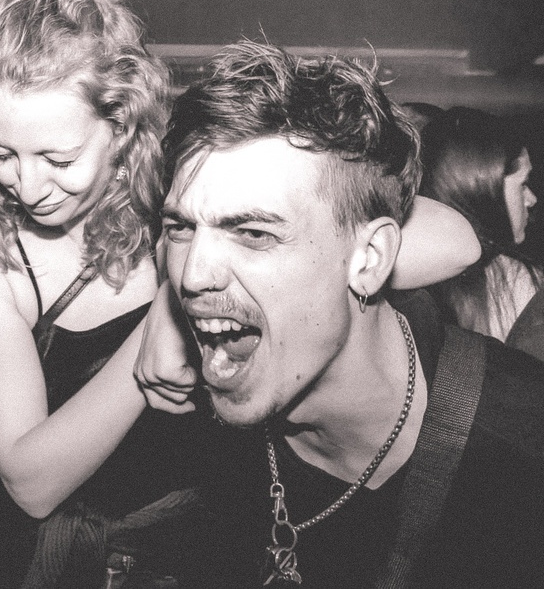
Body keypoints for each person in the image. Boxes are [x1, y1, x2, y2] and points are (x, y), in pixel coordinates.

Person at [0, 0, 479, 589]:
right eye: (2, 153)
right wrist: (165, 326)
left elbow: (457, 242)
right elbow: (30, 483)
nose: (27, 186)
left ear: (123, 124)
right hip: (54, 562)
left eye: (58, 159)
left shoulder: (187, 189)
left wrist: (193, 290)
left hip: (203, 538)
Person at [136, 40, 544, 587]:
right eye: (181, 228)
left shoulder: (519, 448)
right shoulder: (198, 433)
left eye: (254, 233)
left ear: (369, 259)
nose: (191, 276)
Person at [418, 107, 542, 343]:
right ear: (483, 194)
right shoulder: (524, 286)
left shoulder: (409, 291)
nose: (531, 199)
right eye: (522, 184)